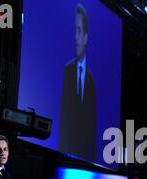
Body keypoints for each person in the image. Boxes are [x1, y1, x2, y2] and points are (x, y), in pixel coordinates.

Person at [59, 3, 97, 162]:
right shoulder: (66, 72)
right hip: (64, 153)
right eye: (74, 30)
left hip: (83, 159)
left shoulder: (91, 80)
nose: (76, 36)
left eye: (79, 31)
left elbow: (92, 130)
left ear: (86, 37)